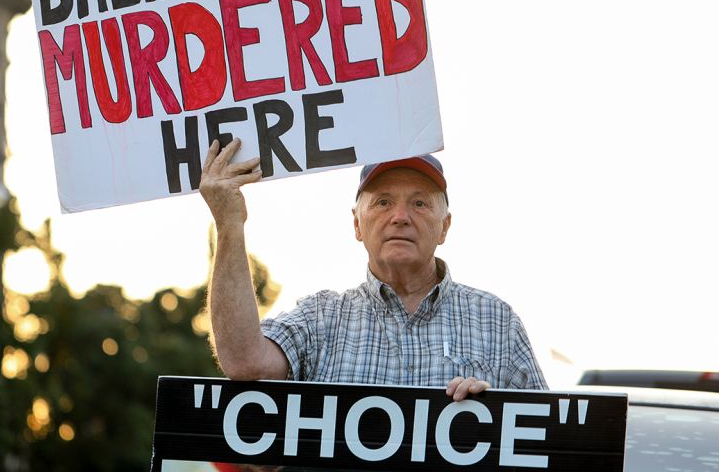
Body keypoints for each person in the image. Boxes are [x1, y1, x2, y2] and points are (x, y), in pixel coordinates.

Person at [200, 138, 547, 401]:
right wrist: (229, 223)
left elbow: (550, 443)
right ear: (357, 225)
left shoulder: (497, 322)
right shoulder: (321, 318)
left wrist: (497, 415)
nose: (400, 216)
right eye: (383, 202)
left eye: (420, 203)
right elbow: (243, 360)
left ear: (445, 227)